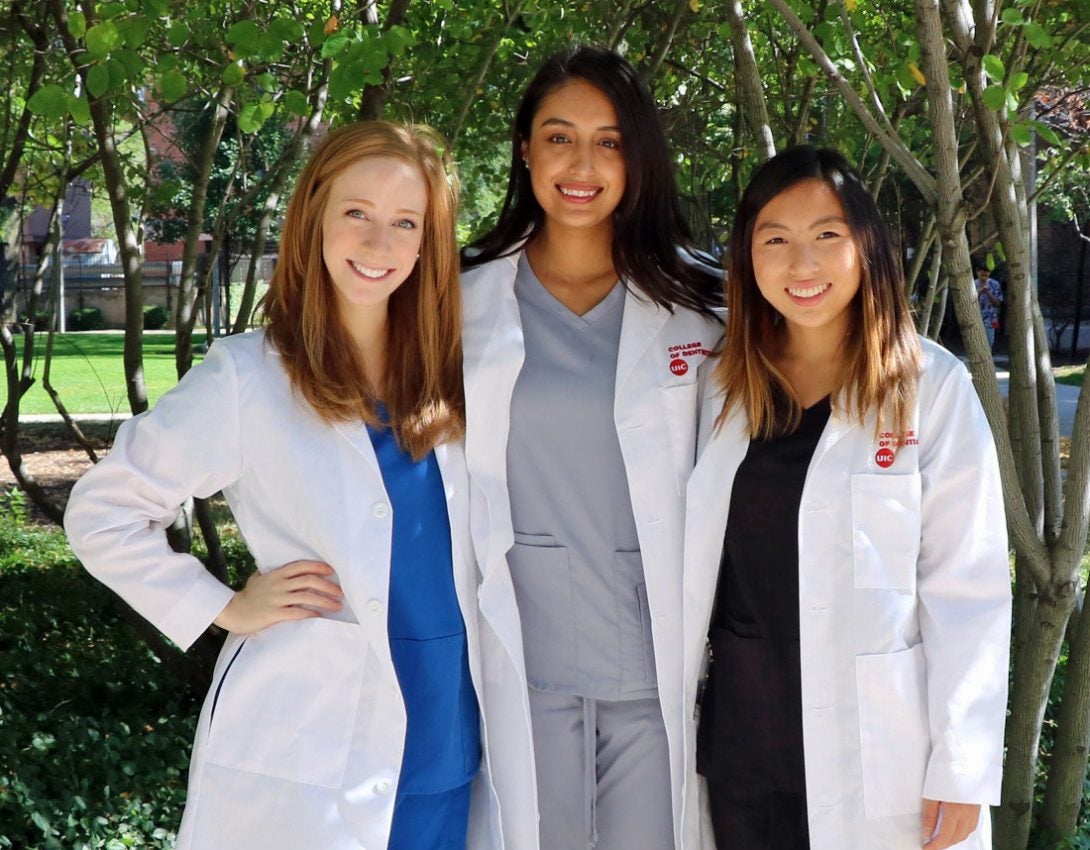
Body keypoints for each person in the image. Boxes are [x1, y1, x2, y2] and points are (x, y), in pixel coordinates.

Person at [65, 122, 496, 850]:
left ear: (428, 243)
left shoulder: (457, 375)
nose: (378, 243)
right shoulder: (249, 377)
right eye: (357, 212)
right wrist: (223, 606)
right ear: (315, 217)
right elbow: (103, 511)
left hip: (451, 737)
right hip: (313, 746)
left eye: (405, 222)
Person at [679, 146, 1010, 850]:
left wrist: (962, 766)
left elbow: (967, 587)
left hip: (883, 758)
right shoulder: (718, 388)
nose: (803, 264)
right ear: (745, 256)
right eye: (776, 240)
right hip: (743, 753)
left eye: (827, 236)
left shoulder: (931, 389)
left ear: (868, 249)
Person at [460, 45, 723, 850]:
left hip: (657, 670)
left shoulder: (708, 305)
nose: (582, 164)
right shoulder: (455, 297)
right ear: (525, 150)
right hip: (517, 657)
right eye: (559, 136)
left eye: (609, 141)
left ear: (637, 157)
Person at [975, 265, 1003, 350]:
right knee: (976, 343)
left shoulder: (994, 284)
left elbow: (997, 303)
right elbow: (968, 301)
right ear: (977, 272)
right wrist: (979, 292)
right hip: (974, 319)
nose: (984, 275)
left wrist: (988, 292)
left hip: (990, 320)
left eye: (986, 273)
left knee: (989, 342)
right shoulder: (973, 284)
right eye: (982, 272)